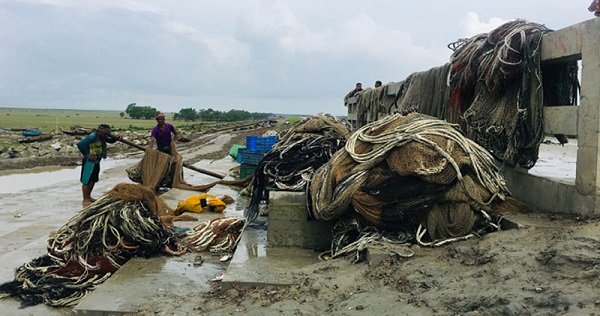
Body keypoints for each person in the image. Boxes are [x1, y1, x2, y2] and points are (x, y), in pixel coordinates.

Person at [77, 124, 122, 206]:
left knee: (93, 179)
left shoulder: (102, 136)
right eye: (106, 133)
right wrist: (87, 154)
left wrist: (116, 138)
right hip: (89, 161)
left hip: (97, 160)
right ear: (101, 131)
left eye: (109, 133)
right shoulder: (92, 136)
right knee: (86, 180)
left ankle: (89, 197)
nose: (107, 135)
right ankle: (85, 199)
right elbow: (80, 144)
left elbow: (110, 140)